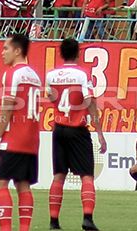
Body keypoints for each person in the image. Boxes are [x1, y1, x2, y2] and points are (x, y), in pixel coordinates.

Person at [46, 38, 106, 231]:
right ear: (78, 53)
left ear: (61, 53)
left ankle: (54, 221)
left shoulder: (51, 75)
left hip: (59, 128)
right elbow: (90, 102)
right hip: (77, 128)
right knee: (87, 175)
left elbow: (52, 97)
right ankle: (87, 218)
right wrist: (99, 133)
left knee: (58, 176)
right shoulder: (82, 74)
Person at [0, 34, 42, 231]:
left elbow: (8, 106)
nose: (2, 53)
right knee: (23, 185)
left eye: (6, 48)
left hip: (14, 138)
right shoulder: (35, 76)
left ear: (17, 51)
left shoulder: (12, 73)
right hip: (32, 139)